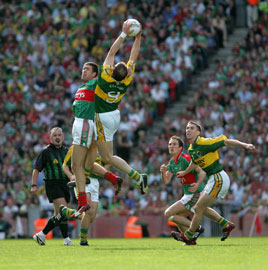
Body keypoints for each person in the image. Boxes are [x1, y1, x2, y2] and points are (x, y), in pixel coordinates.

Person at [175, 121, 255, 244]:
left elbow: (225, 141)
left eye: (191, 128)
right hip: (213, 179)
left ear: (198, 132)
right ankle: (225, 224)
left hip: (219, 177)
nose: (188, 130)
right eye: (187, 128)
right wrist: (185, 172)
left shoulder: (204, 143)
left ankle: (189, 235)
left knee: (197, 208)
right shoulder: (191, 148)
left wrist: (244, 144)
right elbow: (194, 162)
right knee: (201, 207)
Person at [94, 20, 148, 194]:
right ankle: (88, 174)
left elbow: (111, 51)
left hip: (102, 116)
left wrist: (124, 34)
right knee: (94, 152)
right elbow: (134, 55)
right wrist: (138, 38)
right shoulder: (126, 80)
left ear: (112, 70)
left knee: (107, 157)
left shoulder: (105, 77)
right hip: (114, 115)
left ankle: (137, 177)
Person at [160, 136, 235, 245]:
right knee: (181, 216)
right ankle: (191, 240)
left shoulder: (185, 158)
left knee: (169, 214)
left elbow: (202, 172)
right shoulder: (172, 162)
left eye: (174, 144)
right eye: (170, 144)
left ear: (180, 148)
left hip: (194, 193)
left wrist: (198, 184)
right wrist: (163, 172)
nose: (171, 146)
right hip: (188, 194)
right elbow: (166, 181)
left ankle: (195, 228)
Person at [62, 146, 122, 246]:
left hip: (95, 182)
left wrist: (105, 171)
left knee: (91, 217)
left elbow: (105, 164)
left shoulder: (98, 149)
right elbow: (65, 165)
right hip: (83, 180)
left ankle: (66, 211)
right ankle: (83, 241)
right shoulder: (76, 146)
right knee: (88, 211)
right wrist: (71, 176)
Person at [31, 127, 73, 246]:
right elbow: (36, 169)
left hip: (65, 185)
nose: (57, 137)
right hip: (52, 184)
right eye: (55, 135)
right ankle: (42, 234)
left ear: (63, 137)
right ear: (50, 138)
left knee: (59, 215)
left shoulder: (66, 151)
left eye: (59, 135)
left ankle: (65, 239)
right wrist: (34, 185)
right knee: (64, 210)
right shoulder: (46, 152)